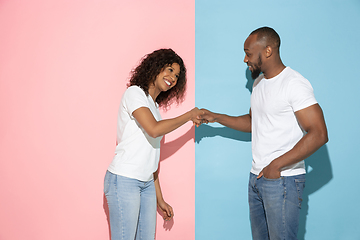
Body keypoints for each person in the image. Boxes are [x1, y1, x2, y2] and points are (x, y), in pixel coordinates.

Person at [199, 27, 328, 240]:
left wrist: (276, 165)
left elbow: (319, 134)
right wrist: (216, 117)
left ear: (268, 50)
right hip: (257, 178)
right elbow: (253, 122)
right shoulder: (259, 83)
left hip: (283, 180)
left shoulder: (294, 83)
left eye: (248, 53)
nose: (244, 59)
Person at [104, 48, 203, 240]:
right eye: (169, 69)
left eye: (176, 75)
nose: (172, 77)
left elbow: (151, 157)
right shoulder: (134, 93)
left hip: (147, 184)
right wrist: (189, 115)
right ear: (155, 67)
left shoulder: (154, 106)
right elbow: (154, 129)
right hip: (124, 179)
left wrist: (160, 199)